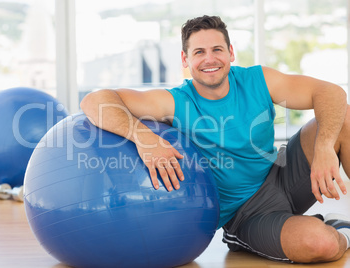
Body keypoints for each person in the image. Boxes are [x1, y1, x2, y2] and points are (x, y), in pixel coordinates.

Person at [80, 15, 350, 263]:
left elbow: (330, 93)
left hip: (282, 174)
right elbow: (96, 101)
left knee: (344, 118)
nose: (210, 59)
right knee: (322, 244)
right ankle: (340, 230)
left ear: (231, 53)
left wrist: (324, 147)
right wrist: (144, 138)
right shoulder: (176, 102)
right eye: (199, 52)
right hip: (247, 214)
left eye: (217, 50)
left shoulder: (258, 80)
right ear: (185, 60)